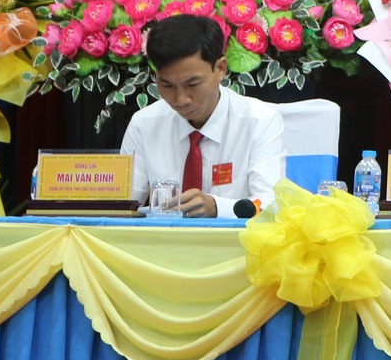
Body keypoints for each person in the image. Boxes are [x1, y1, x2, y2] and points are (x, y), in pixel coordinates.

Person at [120, 14, 286, 218]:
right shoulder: (144, 124)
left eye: (192, 84)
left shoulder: (260, 122)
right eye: (167, 85)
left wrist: (217, 208)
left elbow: (272, 204)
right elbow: (122, 206)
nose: (180, 99)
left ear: (220, 69)